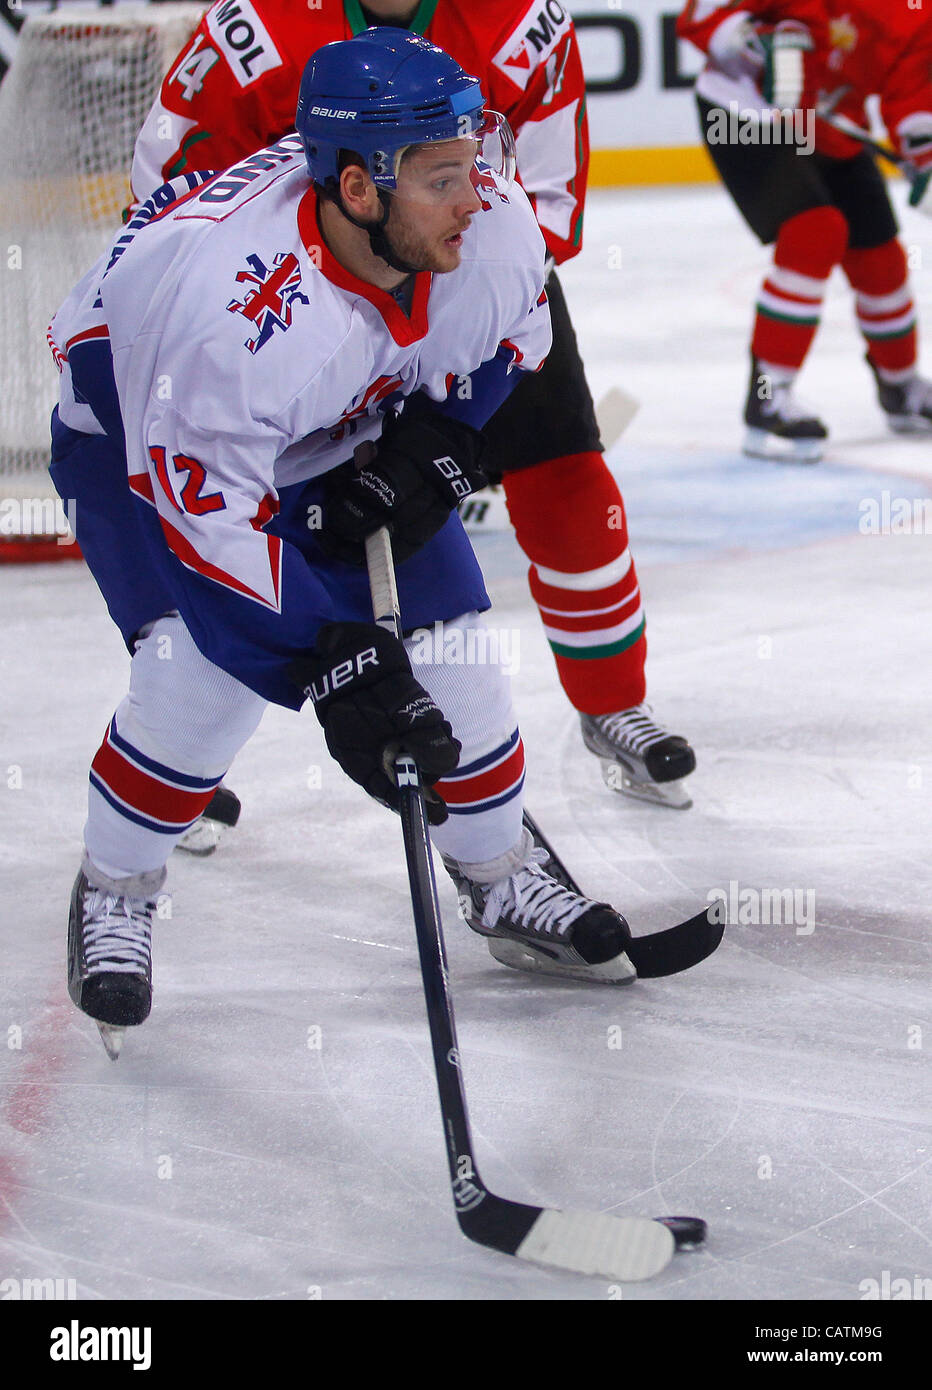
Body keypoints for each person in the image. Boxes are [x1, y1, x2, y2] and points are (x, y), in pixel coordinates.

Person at [51, 30, 641, 1044]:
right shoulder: (231, 327)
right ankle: (116, 883)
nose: (477, 195)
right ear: (359, 190)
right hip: (140, 439)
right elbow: (213, 537)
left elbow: (517, 330)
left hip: (328, 417)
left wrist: (441, 443)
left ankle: (500, 873)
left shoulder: (482, 223)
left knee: (453, 646)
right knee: (198, 669)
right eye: (442, 176)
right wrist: (339, 667)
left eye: (472, 161)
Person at [130, 0, 698, 815]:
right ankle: (180, 754)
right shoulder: (255, 27)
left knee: (565, 473)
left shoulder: (520, 21)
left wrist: (453, 383)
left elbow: (544, 197)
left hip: (472, 282)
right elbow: (168, 191)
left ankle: (612, 700)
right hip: (300, 313)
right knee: (222, 523)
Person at [677, 0, 932, 461]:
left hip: (830, 124)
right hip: (746, 113)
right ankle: (768, 395)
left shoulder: (917, 13)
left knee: (879, 255)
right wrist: (753, 44)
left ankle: (901, 387)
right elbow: (700, 14)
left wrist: (926, 159)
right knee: (815, 232)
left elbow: (911, 95)